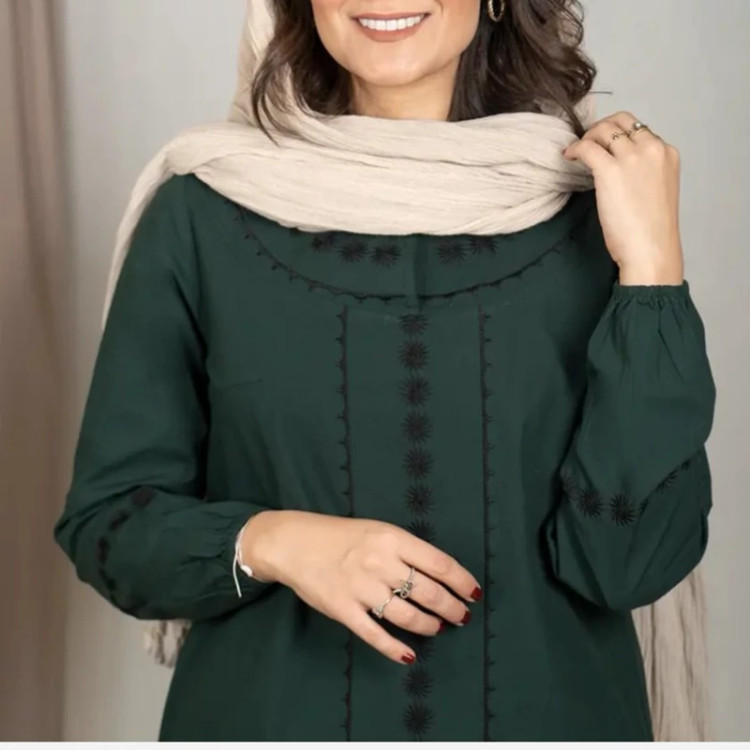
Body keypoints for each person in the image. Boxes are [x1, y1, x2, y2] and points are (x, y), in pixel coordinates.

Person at [54, 0, 716, 741]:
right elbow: (109, 524)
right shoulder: (203, 213)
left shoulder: (602, 214)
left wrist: (653, 268)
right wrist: (276, 542)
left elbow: (632, 565)